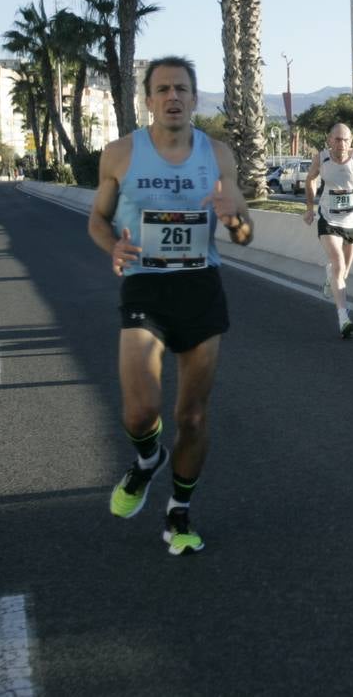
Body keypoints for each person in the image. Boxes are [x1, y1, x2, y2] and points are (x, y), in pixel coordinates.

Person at [87, 56, 253, 556]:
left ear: (194, 98)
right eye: (162, 89)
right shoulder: (119, 154)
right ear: (148, 99)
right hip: (145, 287)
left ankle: (178, 512)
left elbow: (245, 235)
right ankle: (146, 459)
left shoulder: (218, 155)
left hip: (201, 287)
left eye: (181, 88)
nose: (172, 97)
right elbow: (98, 219)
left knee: (194, 417)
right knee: (140, 412)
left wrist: (234, 221)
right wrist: (111, 246)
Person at [302, 123, 353, 338]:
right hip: (329, 220)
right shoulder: (322, 159)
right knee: (338, 263)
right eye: (337, 139)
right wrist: (310, 208)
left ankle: (331, 277)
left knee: (343, 272)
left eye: (346, 139)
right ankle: (343, 317)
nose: (342, 144)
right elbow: (310, 179)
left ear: (351, 141)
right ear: (329, 140)